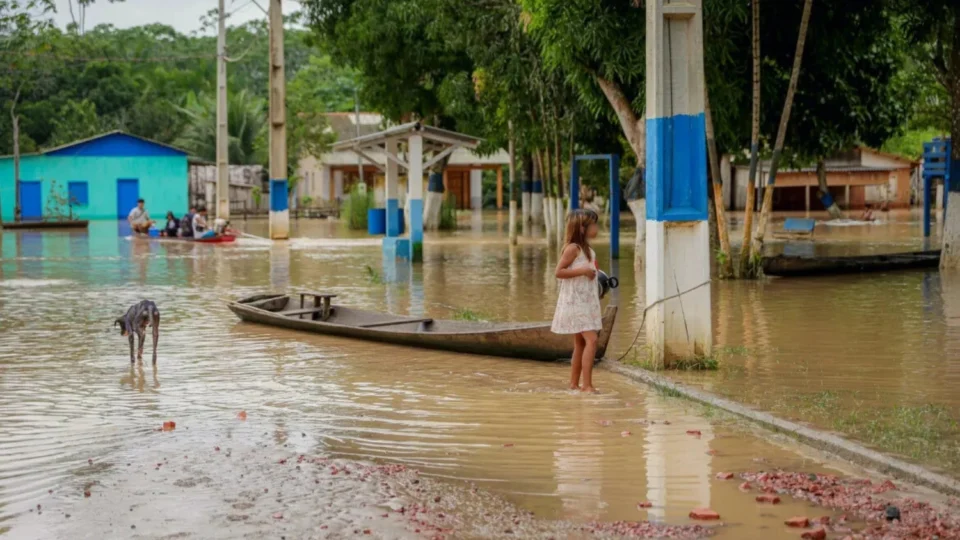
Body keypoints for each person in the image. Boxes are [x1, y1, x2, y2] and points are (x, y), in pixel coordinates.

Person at [551, 209, 602, 393]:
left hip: (586, 302)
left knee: (580, 343)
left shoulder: (587, 250)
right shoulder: (573, 248)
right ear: (582, 228)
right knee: (592, 340)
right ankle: (587, 386)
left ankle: (574, 384)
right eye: (594, 225)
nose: (597, 228)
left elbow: (589, 272)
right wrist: (583, 272)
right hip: (575, 303)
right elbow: (559, 272)